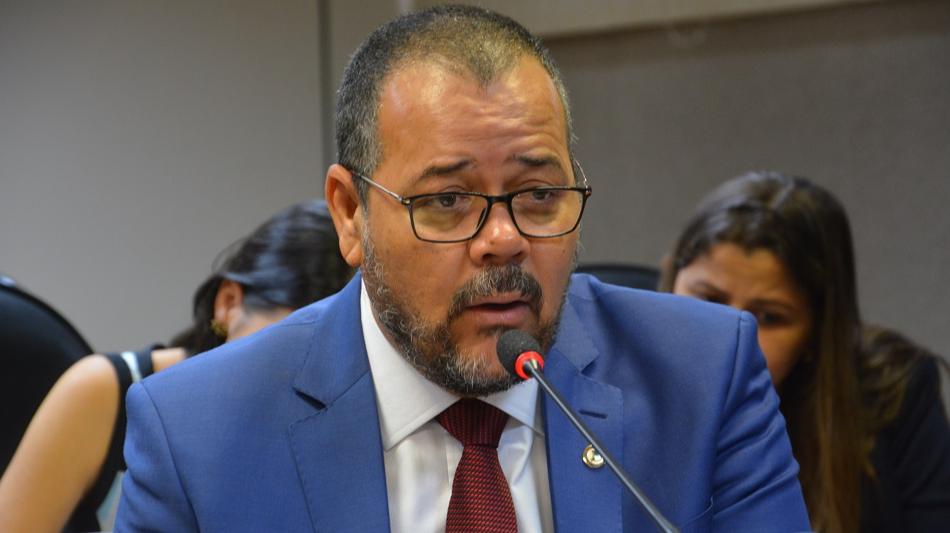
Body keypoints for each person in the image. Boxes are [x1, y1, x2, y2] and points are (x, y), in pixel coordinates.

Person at [115, 6, 810, 532]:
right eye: (447, 201)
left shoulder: (703, 376)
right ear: (350, 214)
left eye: (538, 195)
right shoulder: (196, 436)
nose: (504, 240)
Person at [0, 199, 352, 533]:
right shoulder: (103, 391)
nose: (300, 377)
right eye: (283, 346)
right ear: (228, 303)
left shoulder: (324, 422)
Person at [661, 171, 950, 532]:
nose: (729, 337)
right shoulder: (611, 382)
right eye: (709, 299)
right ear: (671, 281)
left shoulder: (895, 391)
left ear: (817, 332)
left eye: (769, 317)